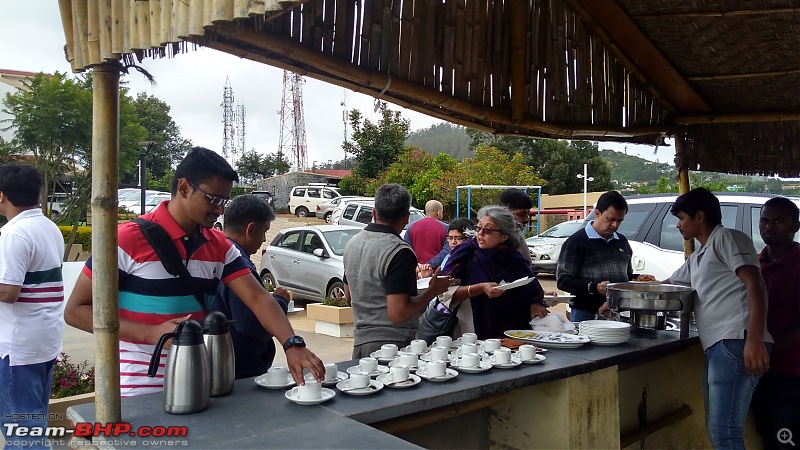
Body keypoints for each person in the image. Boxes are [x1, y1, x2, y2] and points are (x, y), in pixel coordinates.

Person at [65, 147, 324, 396]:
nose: (221, 209)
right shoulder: (125, 241)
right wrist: (150, 333)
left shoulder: (219, 246)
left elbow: (258, 299)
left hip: (201, 382)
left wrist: (292, 343)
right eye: (213, 199)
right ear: (184, 187)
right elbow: (76, 311)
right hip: (139, 388)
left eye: (224, 201)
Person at [664, 187, 771, 450]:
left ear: (699, 216)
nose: (678, 225)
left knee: (725, 434)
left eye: (682, 218)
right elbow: (667, 286)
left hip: (736, 341)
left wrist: (754, 340)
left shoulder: (727, 238)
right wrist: (616, 291)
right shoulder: (699, 254)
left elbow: (755, 283)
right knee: (718, 430)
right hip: (719, 346)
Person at [344, 184, 452, 359]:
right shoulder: (398, 251)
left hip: (361, 343)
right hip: (392, 347)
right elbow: (398, 313)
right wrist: (433, 290)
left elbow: (349, 297)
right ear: (407, 217)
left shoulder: (353, 244)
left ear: (374, 213)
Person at [0, 163, 65, 449]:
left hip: (18, 348)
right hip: (43, 341)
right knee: (33, 422)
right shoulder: (49, 227)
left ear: (1, 196)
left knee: (22, 432)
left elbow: (8, 292)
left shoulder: (14, 234)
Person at [209, 195, 293, 379]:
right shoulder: (237, 263)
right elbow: (253, 324)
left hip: (219, 364)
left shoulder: (214, 253)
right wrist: (279, 302)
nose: (264, 239)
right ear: (251, 229)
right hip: (240, 370)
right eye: (264, 232)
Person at [441, 206, 548, 339]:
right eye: (478, 228)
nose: (480, 234)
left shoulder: (513, 256)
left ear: (504, 236)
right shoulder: (466, 252)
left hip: (514, 328)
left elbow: (531, 287)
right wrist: (480, 288)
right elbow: (443, 292)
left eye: (488, 230)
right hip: (473, 329)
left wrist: (536, 302)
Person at [750, 197, 800, 449]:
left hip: (792, 373)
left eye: (778, 220)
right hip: (762, 370)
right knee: (767, 435)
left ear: (795, 226)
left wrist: (767, 346)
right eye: (764, 220)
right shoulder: (755, 264)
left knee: (786, 439)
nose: (769, 226)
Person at [556, 190, 633, 322]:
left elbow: (626, 277)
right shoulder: (577, 241)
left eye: (619, 221)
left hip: (618, 312)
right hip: (586, 314)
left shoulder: (622, 242)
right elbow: (563, 280)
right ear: (597, 213)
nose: (615, 225)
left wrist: (641, 280)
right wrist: (594, 287)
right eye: (611, 219)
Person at [404, 199, 448, 270]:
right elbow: (446, 251)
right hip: (436, 272)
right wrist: (428, 265)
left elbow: (406, 249)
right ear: (439, 212)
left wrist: (417, 265)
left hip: (416, 271)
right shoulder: (445, 228)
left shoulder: (411, 227)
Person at [498, 188, 534, 264]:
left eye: (528, 214)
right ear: (505, 212)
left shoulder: (517, 235)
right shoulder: (494, 238)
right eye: (521, 214)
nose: (526, 219)